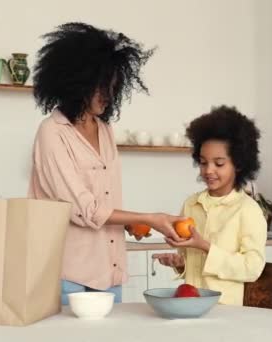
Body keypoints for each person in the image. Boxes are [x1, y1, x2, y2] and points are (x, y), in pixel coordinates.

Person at [28, 22, 183, 305]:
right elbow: (83, 209)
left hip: (109, 269)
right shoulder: (51, 132)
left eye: (112, 87)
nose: (108, 96)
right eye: (100, 87)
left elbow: (104, 198)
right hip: (68, 274)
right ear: (75, 82)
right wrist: (148, 218)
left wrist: (130, 225)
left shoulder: (104, 129)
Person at [152, 105, 267, 305]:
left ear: (238, 164)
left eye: (219, 163)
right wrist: (180, 264)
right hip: (189, 305)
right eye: (204, 162)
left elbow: (252, 268)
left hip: (226, 312)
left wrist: (204, 246)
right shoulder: (191, 204)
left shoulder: (248, 210)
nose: (208, 170)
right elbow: (191, 262)